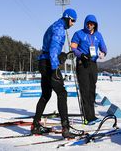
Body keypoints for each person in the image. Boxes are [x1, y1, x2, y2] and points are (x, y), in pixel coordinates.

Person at [31, 8, 84, 139]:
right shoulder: (60, 29)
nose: (73, 24)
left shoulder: (55, 25)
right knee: (62, 93)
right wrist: (55, 68)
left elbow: (51, 48)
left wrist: (62, 55)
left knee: (46, 95)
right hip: (50, 64)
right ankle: (65, 129)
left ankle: (35, 125)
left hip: (43, 62)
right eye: (72, 20)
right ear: (67, 18)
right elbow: (54, 49)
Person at [71, 14, 107, 125]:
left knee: (92, 90)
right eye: (88, 23)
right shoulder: (78, 34)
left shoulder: (98, 35)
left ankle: (92, 115)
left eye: (92, 24)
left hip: (93, 64)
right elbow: (73, 47)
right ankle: (87, 117)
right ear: (85, 23)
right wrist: (81, 55)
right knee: (85, 90)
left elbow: (104, 47)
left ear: (95, 25)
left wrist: (103, 53)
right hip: (82, 64)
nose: (90, 25)